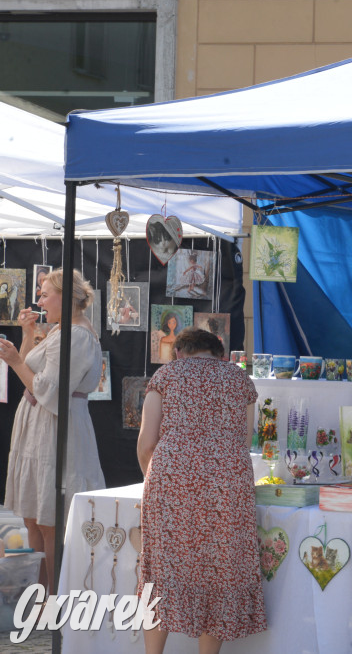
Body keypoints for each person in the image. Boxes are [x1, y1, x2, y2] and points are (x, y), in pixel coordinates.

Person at [136, 327, 266, 653]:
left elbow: (147, 442)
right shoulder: (239, 380)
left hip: (172, 479)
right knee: (219, 570)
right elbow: (245, 440)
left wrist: (153, 484)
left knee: (161, 571)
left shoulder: (166, 376)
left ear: (179, 352)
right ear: (219, 353)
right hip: (227, 480)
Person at [0, 268, 105, 590]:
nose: (40, 301)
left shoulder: (77, 337)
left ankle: (52, 597)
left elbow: (51, 392)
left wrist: (16, 361)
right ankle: (36, 591)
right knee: (33, 515)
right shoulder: (62, 330)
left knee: (50, 520)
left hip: (56, 428)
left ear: (67, 296)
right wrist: (28, 333)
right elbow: (33, 365)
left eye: (45, 294)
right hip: (38, 429)